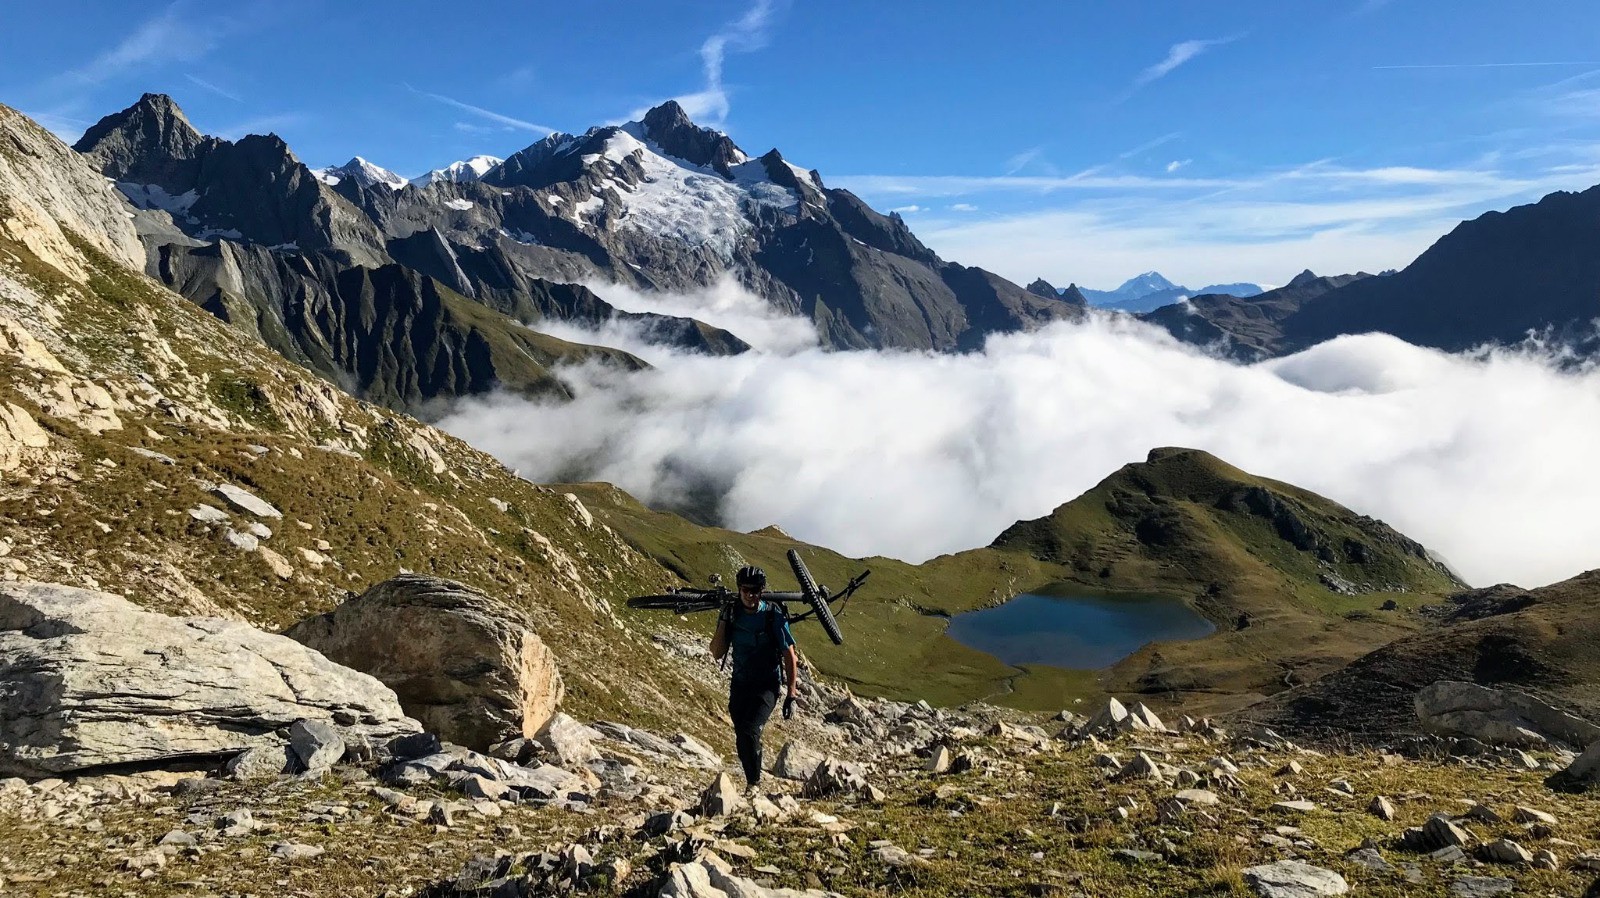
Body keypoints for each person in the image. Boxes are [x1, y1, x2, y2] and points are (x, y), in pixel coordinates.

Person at [710, 565, 799, 788]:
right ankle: (753, 774)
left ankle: (754, 785)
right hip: (740, 684)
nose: (750, 595)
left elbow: (790, 656)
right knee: (742, 735)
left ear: (762, 591)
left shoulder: (772, 616)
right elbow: (716, 652)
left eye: (755, 591)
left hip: (767, 685)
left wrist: (791, 693)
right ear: (739, 589)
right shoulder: (732, 614)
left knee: (750, 730)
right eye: (746, 590)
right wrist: (723, 620)